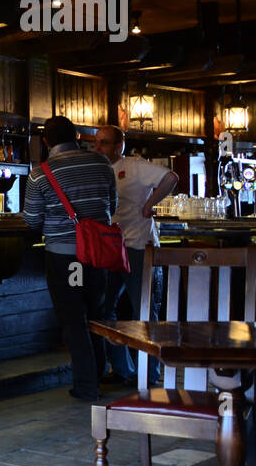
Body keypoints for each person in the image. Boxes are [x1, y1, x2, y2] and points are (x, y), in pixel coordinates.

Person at [22, 116, 118, 401]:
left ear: (45, 141)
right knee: (97, 315)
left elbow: (32, 220)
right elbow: (112, 206)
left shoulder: (40, 174)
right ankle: (98, 374)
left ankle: (87, 386)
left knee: (74, 319)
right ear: (76, 137)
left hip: (66, 258)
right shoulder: (102, 164)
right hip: (98, 254)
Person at [93, 125, 178, 385]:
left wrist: (150, 204)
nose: (97, 148)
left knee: (144, 311)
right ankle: (122, 369)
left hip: (139, 247)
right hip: (110, 248)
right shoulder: (98, 170)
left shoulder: (134, 166)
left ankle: (150, 374)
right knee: (105, 310)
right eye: (96, 142)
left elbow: (171, 177)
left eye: (104, 143)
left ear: (119, 146)